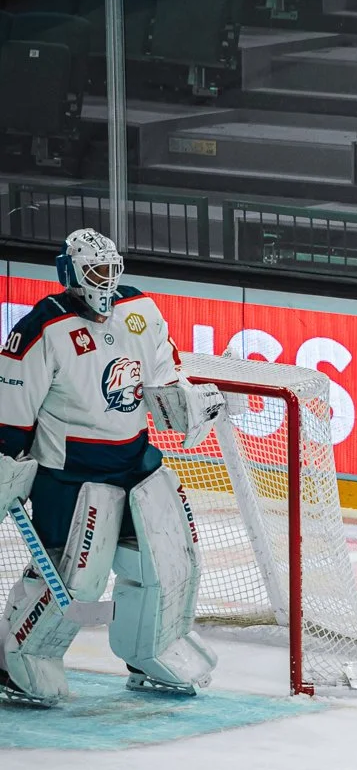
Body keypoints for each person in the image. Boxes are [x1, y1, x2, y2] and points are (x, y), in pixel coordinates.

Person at [0, 229, 228, 706]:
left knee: (164, 561)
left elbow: (164, 378)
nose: (106, 280)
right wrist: (8, 466)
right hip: (69, 474)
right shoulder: (41, 328)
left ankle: (150, 652)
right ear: (71, 273)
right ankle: (19, 658)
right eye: (95, 271)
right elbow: (11, 416)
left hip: (135, 461)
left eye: (112, 270)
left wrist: (188, 404)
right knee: (76, 579)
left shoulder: (139, 309)